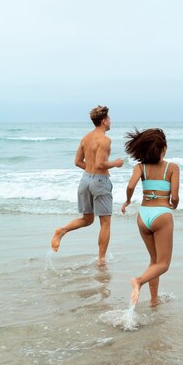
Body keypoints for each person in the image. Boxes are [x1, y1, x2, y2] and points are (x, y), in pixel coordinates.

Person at [50, 105, 124, 266]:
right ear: (104, 121)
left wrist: (90, 173)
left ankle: (61, 231)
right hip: (99, 181)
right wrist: (117, 163)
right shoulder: (104, 140)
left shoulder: (85, 138)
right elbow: (100, 164)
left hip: (85, 180)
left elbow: (77, 162)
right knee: (105, 222)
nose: (111, 121)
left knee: (87, 219)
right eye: (109, 119)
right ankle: (101, 259)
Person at [121, 128, 180, 307]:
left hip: (143, 216)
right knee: (163, 264)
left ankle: (154, 300)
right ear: (163, 148)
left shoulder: (140, 167)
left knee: (154, 261)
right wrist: (173, 206)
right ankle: (138, 281)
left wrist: (128, 201)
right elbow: (175, 197)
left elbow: (131, 185)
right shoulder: (172, 168)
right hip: (161, 215)